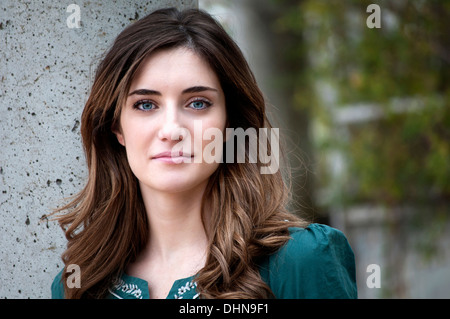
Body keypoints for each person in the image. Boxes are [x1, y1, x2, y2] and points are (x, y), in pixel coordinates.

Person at [51, 7, 357, 299]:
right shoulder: (81, 282)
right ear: (116, 127)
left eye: (198, 103)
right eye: (146, 104)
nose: (172, 130)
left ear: (230, 123)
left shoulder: (301, 261)